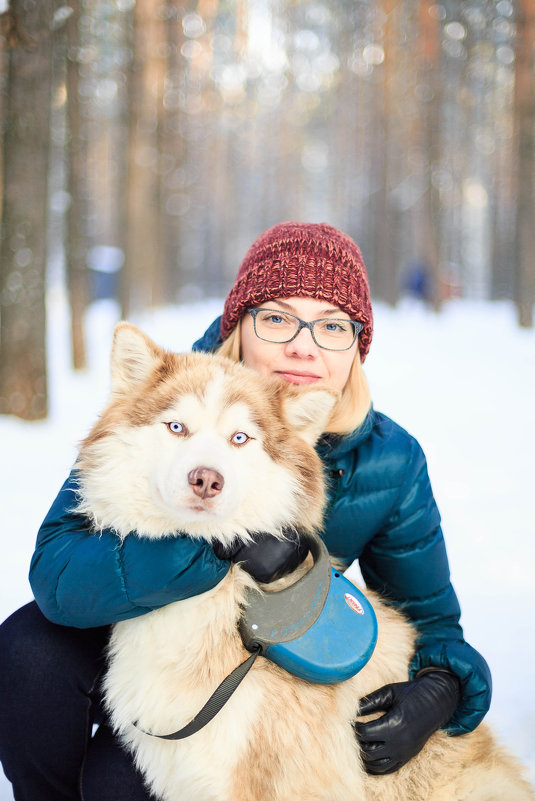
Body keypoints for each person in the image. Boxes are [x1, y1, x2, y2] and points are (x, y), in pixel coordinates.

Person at [0, 221, 492, 800]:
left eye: (332, 325)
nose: (303, 345)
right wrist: (210, 550)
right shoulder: (169, 393)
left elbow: (434, 622)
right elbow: (58, 572)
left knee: (116, 786)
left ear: (357, 345)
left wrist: (438, 691)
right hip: (119, 634)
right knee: (29, 650)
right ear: (241, 325)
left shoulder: (390, 460)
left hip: (229, 673)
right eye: (279, 318)